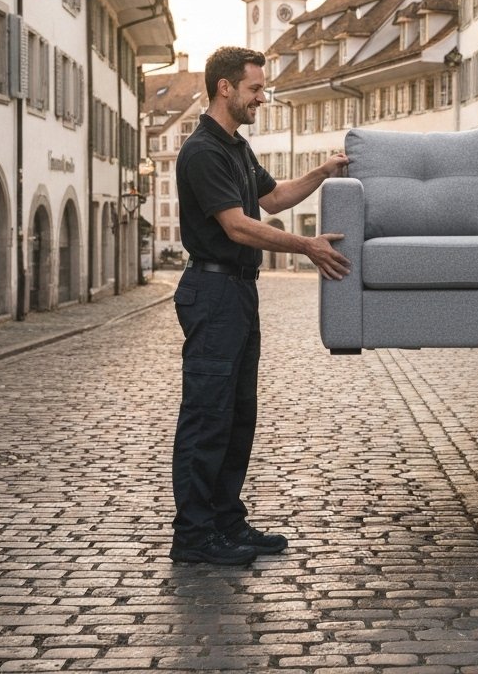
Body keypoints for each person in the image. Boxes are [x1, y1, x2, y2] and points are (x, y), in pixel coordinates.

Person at [169, 46, 351, 566]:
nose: (261, 97)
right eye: (254, 89)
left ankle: (226, 523)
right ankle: (195, 535)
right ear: (225, 88)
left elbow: (270, 200)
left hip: (239, 292)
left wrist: (321, 171)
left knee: (237, 416)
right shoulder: (202, 150)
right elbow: (237, 225)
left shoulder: (237, 148)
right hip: (214, 292)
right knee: (208, 416)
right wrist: (307, 246)